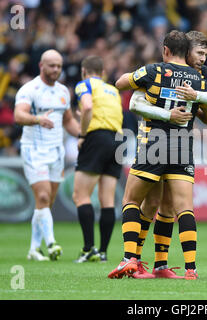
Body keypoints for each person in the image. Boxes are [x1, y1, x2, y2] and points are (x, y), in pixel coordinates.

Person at [107, 30, 207, 280]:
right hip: (183, 146)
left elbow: (120, 84)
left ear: (165, 50)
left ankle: (129, 259)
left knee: (131, 200)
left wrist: (140, 83)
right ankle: (190, 269)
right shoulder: (199, 77)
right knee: (183, 209)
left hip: (154, 143)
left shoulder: (153, 71)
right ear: (186, 52)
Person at [14, 49, 80, 261]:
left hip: (56, 152)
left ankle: (34, 249)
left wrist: (84, 135)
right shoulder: (30, 89)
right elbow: (18, 115)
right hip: (34, 150)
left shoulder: (62, 91)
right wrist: (37, 119)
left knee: (46, 204)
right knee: (42, 197)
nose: (56, 69)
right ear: (41, 66)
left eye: (59, 66)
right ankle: (51, 244)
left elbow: (68, 120)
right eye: (52, 65)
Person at [72, 56, 124, 263]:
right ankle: (102, 252)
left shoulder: (84, 84)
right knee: (107, 200)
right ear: (102, 72)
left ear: (84, 70)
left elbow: (86, 108)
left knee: (80, 195)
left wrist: (82, 134)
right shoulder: (113, 90)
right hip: (117, 140)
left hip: (96, 138)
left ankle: (87, 249)